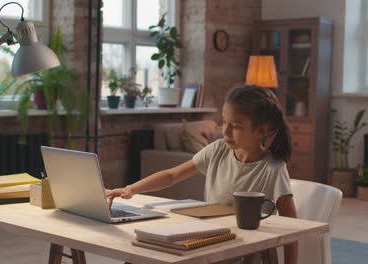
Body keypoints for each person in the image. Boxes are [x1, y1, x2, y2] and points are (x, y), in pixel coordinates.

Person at [106, 85, 297, 264]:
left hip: (236, 254)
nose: (226, 131)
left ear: (260, 131)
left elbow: (293, 229)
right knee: (139, 256)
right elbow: (172, 175)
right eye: (224, 122)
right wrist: (131, 189)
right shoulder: (217, 150)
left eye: (236, 126)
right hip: (206, 243)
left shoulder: (273, 168)